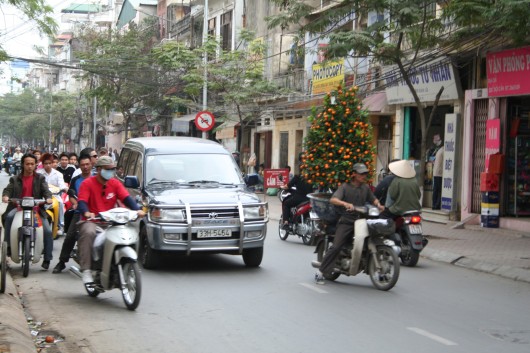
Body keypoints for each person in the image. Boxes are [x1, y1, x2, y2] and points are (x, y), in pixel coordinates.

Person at [76, 156, 145, 285]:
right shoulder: (87, 183)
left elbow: (126, 198)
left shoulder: (115, 183)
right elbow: (82, 201)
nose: (111, 172)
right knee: (88, 233)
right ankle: (86, 270)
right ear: (99, 169)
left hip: (111, 222)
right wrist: (86, 212)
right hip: (92, 221)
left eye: (113, 169)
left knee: (129, 232)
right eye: (108, 169)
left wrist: (137, 210)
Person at [315, 163, 384, 285]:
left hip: (362, 220)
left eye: (365, 173)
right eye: (361, 173)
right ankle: (321, 272)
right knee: (336, 246)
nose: (364, 176)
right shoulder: (345, 187)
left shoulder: (365, 188)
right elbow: (333, 199)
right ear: (354, 174)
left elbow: (373, 198)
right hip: (347, 221)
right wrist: (345, 204)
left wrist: (378, 205)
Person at [2, 153, 54, 269]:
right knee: (9, 217)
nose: (30, 166)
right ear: (22, 165)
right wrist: (5, 196)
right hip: (18, 208)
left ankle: (47, 257)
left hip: (36, 210)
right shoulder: (15, 179)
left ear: (36, 165)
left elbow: (46, 190)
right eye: (27, 164)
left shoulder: (40, 178)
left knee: (47, 230)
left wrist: (48, 198)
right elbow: (8, 190)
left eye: (32, 164)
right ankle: (8, 248)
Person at [52, 154, 92, 273]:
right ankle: (62, 261)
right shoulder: (76, 180)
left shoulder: (97, 179)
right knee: (70, 236)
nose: (85, 167)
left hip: (95, 213)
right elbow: (72, 196)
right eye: (82, 165)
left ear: (91, 164)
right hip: (79, 212)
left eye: (87, 164)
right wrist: (75, 204)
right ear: (79, 166)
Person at [38, 153, 68, 235]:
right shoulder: (38, 173)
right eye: (46, 163)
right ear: (43, 164)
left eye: (49, 163)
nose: (48, 165)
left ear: (52, 163)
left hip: (55, 196)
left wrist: (65, 189)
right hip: (42, 196)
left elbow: (62, 185)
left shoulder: (58, 174)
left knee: (61, 203)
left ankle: (61, 225)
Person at [429, 134, 444, 210]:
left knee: (436, 190)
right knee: (438, 190)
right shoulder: (441, 150)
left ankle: (435, 205)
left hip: (437, 173)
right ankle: (436, 205)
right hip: (439, 173)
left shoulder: (440, 150)